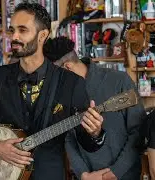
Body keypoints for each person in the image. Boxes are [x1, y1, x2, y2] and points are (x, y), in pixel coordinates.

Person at [0, 2, 106, 179]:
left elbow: (87, 144)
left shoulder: (71, 83)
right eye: (12, 30)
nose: (14, 37)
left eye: (22, 30)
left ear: (42, 35)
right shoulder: (0, 77)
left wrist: (95, 132)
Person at [44, 36, 145, 180]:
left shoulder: (120, 81)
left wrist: (114, 173)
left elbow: (138, 133)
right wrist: (83, 174)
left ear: (67, 68)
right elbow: (68, 139)